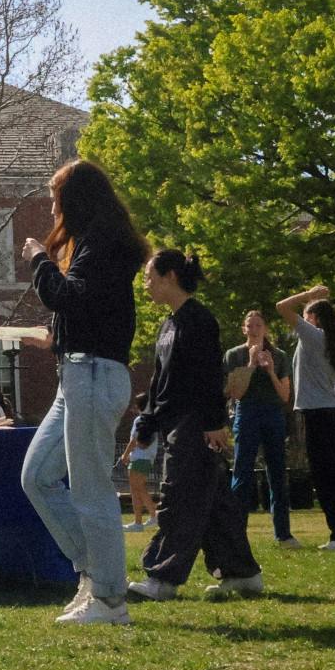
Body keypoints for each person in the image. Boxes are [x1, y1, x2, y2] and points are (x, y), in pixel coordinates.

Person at [20, 159, 148, 626]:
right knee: (37, 477)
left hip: (92, 375)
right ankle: (95, 576)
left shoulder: (103, 243)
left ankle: (110, 600)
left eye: (55, 199)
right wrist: (57, 336)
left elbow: (65, 296)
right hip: (78, 374)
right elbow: (88, 308)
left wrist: (40, 260)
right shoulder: (100, 243)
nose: (52, 209)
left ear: (76, 200)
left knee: (92, 491)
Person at [127, 251, 263, 601]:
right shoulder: (167, 325)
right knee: (215, 502)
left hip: (195, 424)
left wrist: (214, 423)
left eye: (150, 277)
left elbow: (208, 376)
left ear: (170, 276)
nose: (145, 285)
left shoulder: (200, 320)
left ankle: (162, 579)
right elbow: (159, 380)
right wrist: (147, 423)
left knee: (180, 497)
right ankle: (242, 574)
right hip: (173, 422)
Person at [276, 284, 335, 549]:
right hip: (332, 412)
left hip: (316, 414)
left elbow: (281, 307)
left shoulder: (313, 336)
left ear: (313, 318)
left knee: (324, 478)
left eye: (306, 314)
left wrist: (307, 295)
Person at [225, 309, 298, 548]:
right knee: (242, 471)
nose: (254, 330)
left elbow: (285, 395)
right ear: (244, 329)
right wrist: (250, 364)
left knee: (277, 472)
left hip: (272, 413)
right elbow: (236, 393)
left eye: (258, 325)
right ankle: (236, 534)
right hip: (246, 413)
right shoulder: (234, 355)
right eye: (250, 326)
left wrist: (270, 371)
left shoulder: (280, 355)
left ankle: (283, 534)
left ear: (265, 329)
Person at [121, 393, 158, 531]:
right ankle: (143, 519)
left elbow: (133, 440)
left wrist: (125, 455)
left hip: (138, 458)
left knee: (137, 489)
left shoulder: (140, 420)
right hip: (147, 458)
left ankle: (145, 519)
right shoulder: (153, 420)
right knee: (138, 489)